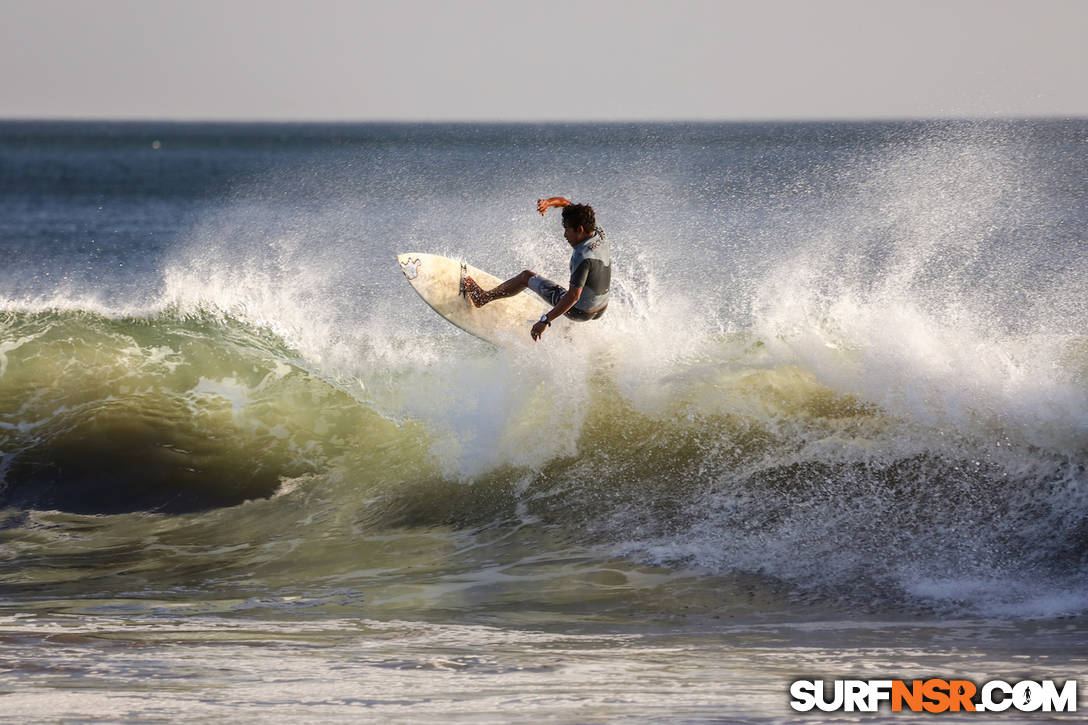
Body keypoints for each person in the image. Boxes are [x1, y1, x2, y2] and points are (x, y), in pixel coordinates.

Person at [462, 197, 611, 342]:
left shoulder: (582, 256)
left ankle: (482, 298)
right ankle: (567, 335)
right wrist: (548, 203)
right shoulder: (598, 231)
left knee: (526, 277)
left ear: (580, 229)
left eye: (567, 230)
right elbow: (565, 203)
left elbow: (573, 297)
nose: (565, 235)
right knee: (577, 288)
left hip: (579, 312)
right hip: (601, 308)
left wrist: (545, 320)